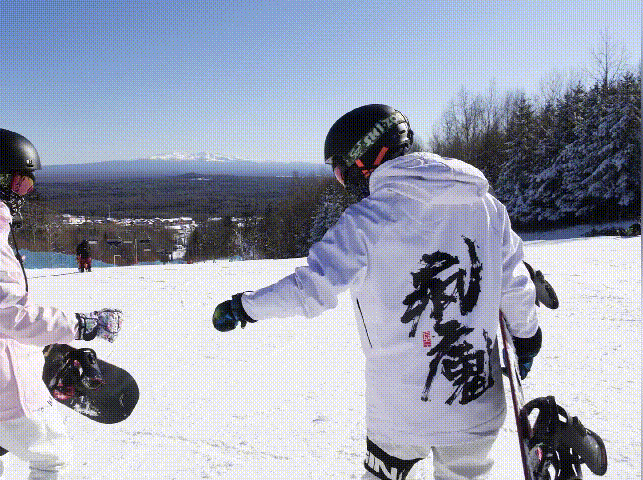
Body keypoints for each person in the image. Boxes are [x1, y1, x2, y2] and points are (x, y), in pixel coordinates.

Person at [212, 105, 542, 480]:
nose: (343, 180)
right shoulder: (488, 208)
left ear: (364, 157)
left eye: (340, 171)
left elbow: (310, 289)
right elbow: (515, 286)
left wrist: (246, 308)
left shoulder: (367, 222)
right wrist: (529, 337)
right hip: (476, 402)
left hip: (400, 413)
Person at [0, 128, 121, 480]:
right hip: (1, 393)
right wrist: (82, 325)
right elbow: (13, 317)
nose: (24, 194)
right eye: (20, 185)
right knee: (52, 460)